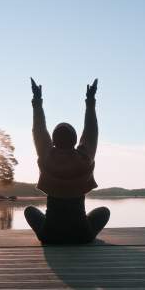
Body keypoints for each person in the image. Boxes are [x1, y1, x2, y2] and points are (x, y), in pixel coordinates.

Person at [24, 77, 110, 244]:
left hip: (49, 235)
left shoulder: (47, 157)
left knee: (29, 210)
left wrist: (37, 101)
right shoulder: (84, 158)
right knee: (104, 211)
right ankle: (78, 221)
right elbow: (91, 131)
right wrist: (90, 102)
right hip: (81, 235)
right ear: (75, 140)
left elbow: (39, 130)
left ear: (53, 141)